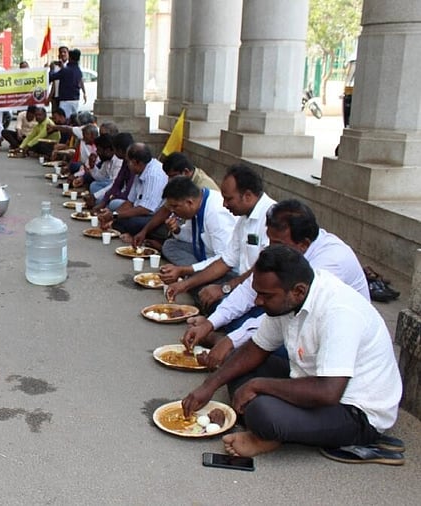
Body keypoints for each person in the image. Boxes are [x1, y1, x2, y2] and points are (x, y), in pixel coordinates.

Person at [182, 245, 402, 463]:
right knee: (236, 359)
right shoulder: (288, 299)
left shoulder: (339, 312)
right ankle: (277, 428)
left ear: (298, 291)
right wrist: (209, 386)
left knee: (262, 412)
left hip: (355, 411)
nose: (258, 301)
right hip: (312, 380)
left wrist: (258, 386)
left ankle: (268, 435)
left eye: (265, 295)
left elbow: (328, 392)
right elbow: (256, 348)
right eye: (257, 293)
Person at [182, 199, 370, 369]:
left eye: (277, 243)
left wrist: (231, 340)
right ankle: (228, 342)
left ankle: (227, 344)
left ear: (303, 244)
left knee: (258, 351)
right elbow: (249, 289)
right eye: (269, 241)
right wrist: (210, 323)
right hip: (286, 318)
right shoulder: (285, 250)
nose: (270, 247)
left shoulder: (331, 262)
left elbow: (283, 317)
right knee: (233, 313)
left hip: (325, 341)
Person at [164, 165, 276, 310]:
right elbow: (225, 260)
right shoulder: (243, 218)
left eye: (229, 199)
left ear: (248, 196)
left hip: (258, 292)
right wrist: (184, 285)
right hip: (242, 284)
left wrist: (224, 288)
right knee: (204, 292)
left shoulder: (273, 218)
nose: (224, 204)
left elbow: (261, 271)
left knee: (213, 300)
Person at [131, 152, 221, 251]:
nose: (169, 180)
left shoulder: (204, 188)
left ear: (185, 172)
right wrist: (144, 232)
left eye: (172, 176)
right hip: (187, 230)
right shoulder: (179, 184)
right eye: (168, 177)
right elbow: (166, 209)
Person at [151, 176, 236, 279]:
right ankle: (196, 274)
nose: (172, 211)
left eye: (175, 206)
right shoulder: (197, 205)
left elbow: (224, 259)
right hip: (205, 252)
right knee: (170, 245)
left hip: (225, 265)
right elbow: (191, 237)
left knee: (206, 284)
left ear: (189, 202)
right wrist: (177, 230)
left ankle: (197, 276)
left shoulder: (216, 214)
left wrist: (184, 270)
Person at [97, 143, 167, 240]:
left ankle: (137, 236)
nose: (127, 165)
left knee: (132, 223)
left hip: (154, 216)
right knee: (119, 216)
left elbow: (145, 209)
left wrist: (115, 215)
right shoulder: (139, 171)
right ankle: (121, 228)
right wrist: (114, 216)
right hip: (141, 211)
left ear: (135, 162)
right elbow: (130, 202)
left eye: (128, 161)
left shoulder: (153, 175)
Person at [48, 48, 84, 118]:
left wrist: (51, 69)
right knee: (73, 119)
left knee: (64, 119)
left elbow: (52, 77)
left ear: (70, 57)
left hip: (65, 100)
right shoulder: (78, 70)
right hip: (75, 100)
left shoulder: (66, 70)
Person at [49, 46, 70, 112]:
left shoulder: (70, 66)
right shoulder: (55, 65)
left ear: (68, 54)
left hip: (66, 97)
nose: (62, 54)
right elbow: (53, 82)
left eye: (64, 52)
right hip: (56, 96)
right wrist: (50, 96)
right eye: (61, 52)